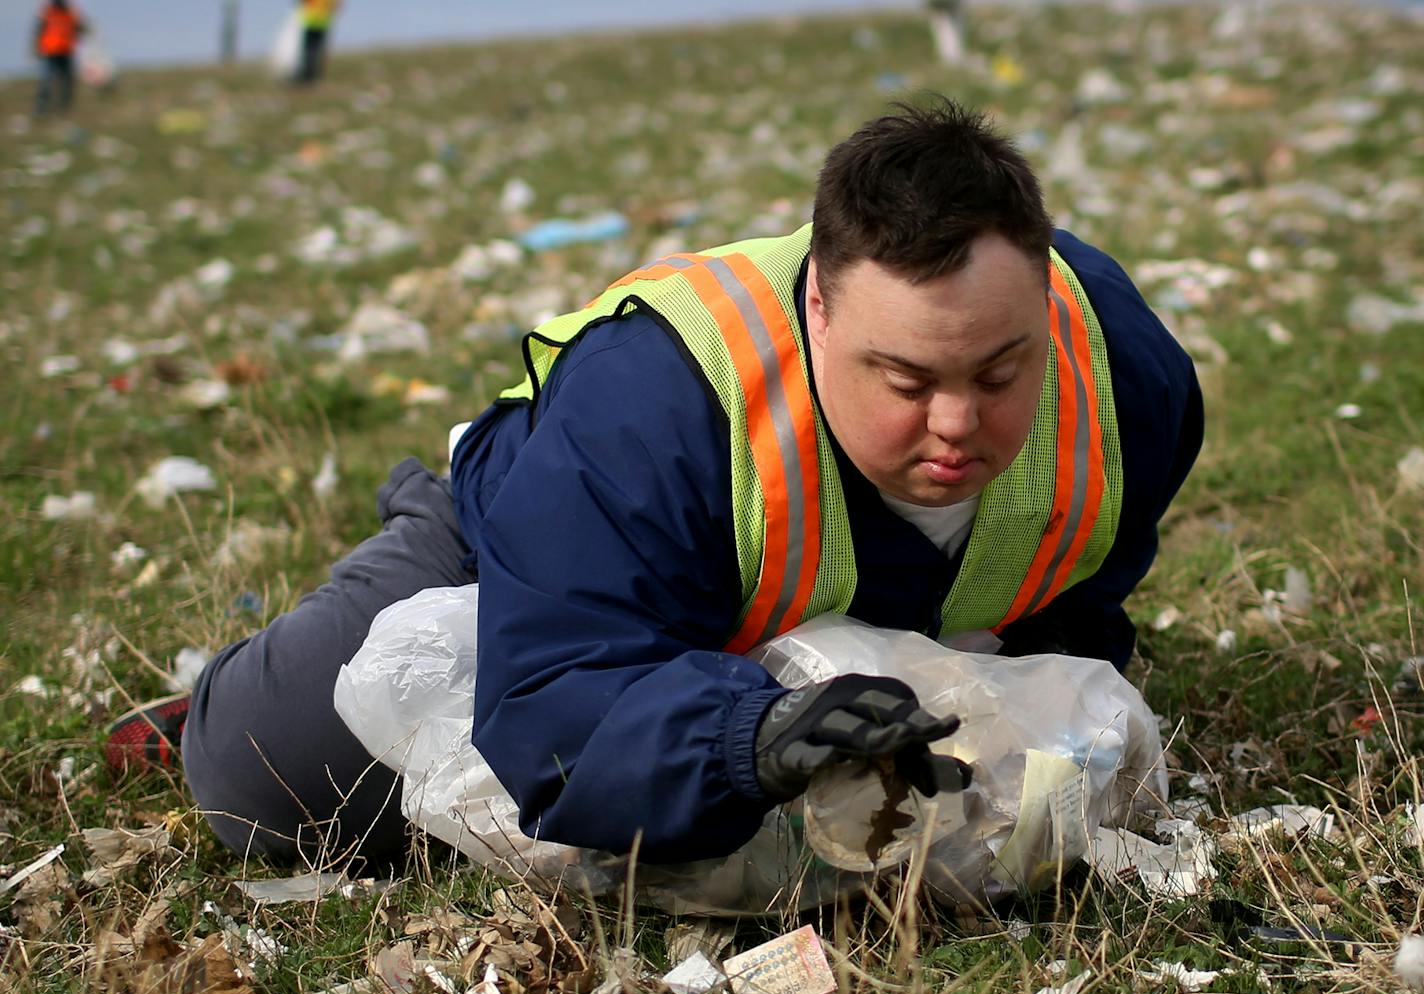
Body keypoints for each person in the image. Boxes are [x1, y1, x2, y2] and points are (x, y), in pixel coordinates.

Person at [107, 98, 1202, 875]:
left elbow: (1077, 586)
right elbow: (558, 696)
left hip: (807, 617)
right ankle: (345, 586)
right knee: (271, 780)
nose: (958, 422)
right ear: (817, 312)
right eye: (907, 379)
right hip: (544, 560)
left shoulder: (1126, 376)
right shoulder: (646, 407)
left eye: (999, 372)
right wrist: (745, 741)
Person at [33, 0, 86, 115]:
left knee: (66, 81)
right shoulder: (47, 12)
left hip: (65, 50)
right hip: (50, 50)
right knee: (47, 81)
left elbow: (80, 29)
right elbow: (39, 30)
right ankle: (41, 109)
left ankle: (63, 108)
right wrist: (36, 48)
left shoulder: (70, 13)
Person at [295, 0, 340, 84]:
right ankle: (315, 75)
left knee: (309, 51)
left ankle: (308, 76)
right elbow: (337, 5)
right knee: (318, 50)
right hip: (323, 22)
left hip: (311, 21)